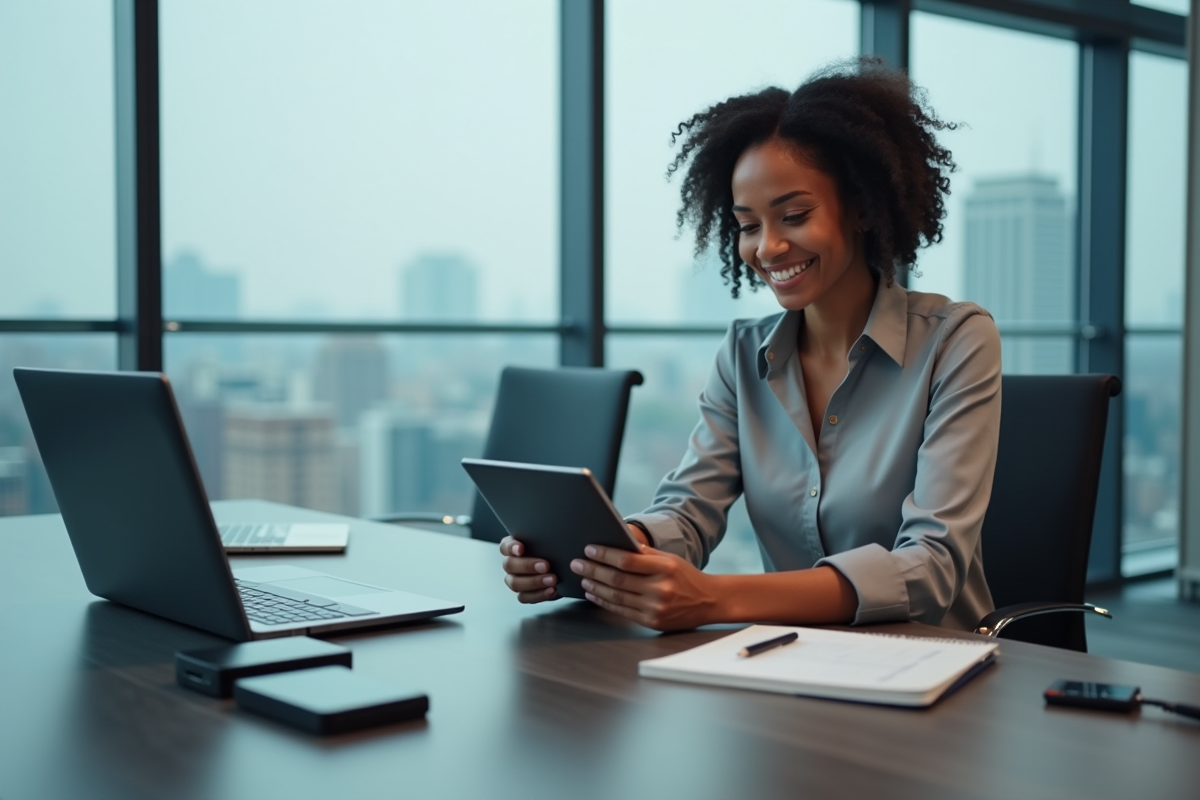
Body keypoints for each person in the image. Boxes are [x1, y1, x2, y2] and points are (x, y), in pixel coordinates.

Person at [500, 58, 1001, 632]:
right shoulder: (744, 354)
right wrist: (613, 555)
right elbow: (687, 511)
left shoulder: (956, 340)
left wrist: (715, 599)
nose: (768, 247)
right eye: (747, 224)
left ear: (862, 206)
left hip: (935, 669)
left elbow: (931, 565)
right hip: (787, 664)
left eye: (794, 215)